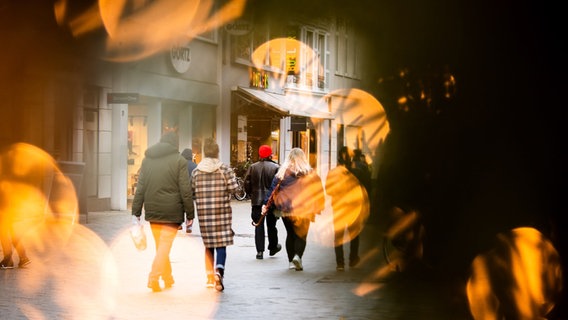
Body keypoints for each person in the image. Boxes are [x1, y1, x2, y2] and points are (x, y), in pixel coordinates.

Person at [131, 131, 194, 292]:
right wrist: (190, 214)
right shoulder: (179, 161)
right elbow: (185, 189)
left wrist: (136, 211)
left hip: (153, 210)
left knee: (161, 245)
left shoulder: (147, 160)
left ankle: (167, 277)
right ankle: (153, 277)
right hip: (172, 212)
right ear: (175, 144)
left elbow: (141, 187)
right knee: (164, 245)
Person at [262, 148, 324, 271]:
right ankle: (298, 257)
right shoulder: (310, 173)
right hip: (305, 209)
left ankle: (291, 261)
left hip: (286, 209)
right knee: (301, 236)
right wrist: (320, 206)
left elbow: (272, 189)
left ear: (289, 158)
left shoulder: (282, 173)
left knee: (290, 234)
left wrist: (265, 204)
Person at [192, 137, 239, 291]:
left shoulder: (196, 171)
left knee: (208, 245)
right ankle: (219, 271)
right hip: (222, 212)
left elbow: (191, 191)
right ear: (217, 152)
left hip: (204, 214)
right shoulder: (224, 169)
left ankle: (208, 277)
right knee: (221, 244)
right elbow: (234, 189)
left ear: (205, 153)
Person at [325, 147, 369, 271]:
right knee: (354, 234)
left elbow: (328, 190)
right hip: (353, 207)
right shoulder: (357, 171)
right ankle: (353, 259)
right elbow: (364, 188)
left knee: (338, 235)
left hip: (338, 207)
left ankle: (340, 263)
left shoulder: (333, 173)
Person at [244, 145, 281, 260]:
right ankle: (273, 247)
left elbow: (247, 182)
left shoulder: (253, 167)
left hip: (256, 201)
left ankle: (260, 251)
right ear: (270, 154)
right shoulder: (276, 167)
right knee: (271, 225)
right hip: (271, 201)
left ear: (260, 155)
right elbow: (279, 185)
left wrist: (251, 194)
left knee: (258, 225)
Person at [181, 148, 197, 233]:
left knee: (180, 206)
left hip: (181, 190)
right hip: (191, 190)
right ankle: (189, 225)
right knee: (190, 207)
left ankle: (179, 223)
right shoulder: (195, 166)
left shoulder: (179, 165)